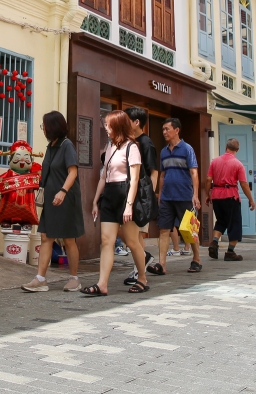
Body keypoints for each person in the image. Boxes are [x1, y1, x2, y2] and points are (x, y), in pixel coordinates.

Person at [82, 111, 150, 295]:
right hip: (110, 195)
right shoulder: (110, 146)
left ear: (117, 125)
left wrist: (128, 205)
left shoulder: (132, 148)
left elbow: (134, 180)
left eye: (108, 124)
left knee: (131, 241)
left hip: (125, 195)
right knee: (106, 241)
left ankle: (142, 278)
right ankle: (102, 284)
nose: (105, 128)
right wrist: (96, 200)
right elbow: (104, 176)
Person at [22, 111, 84, 293]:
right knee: (45, 236)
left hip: (65, 198)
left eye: (44, 126)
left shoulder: (67, 146)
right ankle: (40, 278)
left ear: (53, 126)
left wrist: (63, 191)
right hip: (51, 199)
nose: (43, 129)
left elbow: (73, 172)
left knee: (68, 239)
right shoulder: (51, 146)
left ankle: (74, 278)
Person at [148, 118, 202, 275]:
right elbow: (162, 175)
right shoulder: (164, 151)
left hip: (185, 196)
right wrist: (159, 194)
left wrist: (195, 195)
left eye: (167, 129)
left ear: (176, 130)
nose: (164, 132)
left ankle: (196, 259)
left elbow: (194, 172)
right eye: (163, 129)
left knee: (189, 230)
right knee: (164, 230)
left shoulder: (187, 149)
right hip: (167, 198)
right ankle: (162, 265)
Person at [123, 107, 159, 286]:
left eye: (126, 119)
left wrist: (148, 195)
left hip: (140, 196)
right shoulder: (129, 141)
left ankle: (139, 270)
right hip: (130, 194)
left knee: (137, 235)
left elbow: (154, 172)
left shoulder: (146, 143)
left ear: (136, 122)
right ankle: (142, 262)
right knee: (132, 235)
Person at [205, 138, 255, 261]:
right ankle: (230, 252)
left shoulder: (215, 162)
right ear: (237, 150)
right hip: (230, 196)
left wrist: (208, 194)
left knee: (221, 221)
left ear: (225, 147)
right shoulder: (238, 164)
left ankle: (214, 242)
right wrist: (251, 199)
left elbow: (208, 180)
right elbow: (243, 184)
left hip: (216, 195)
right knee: (235, 223)